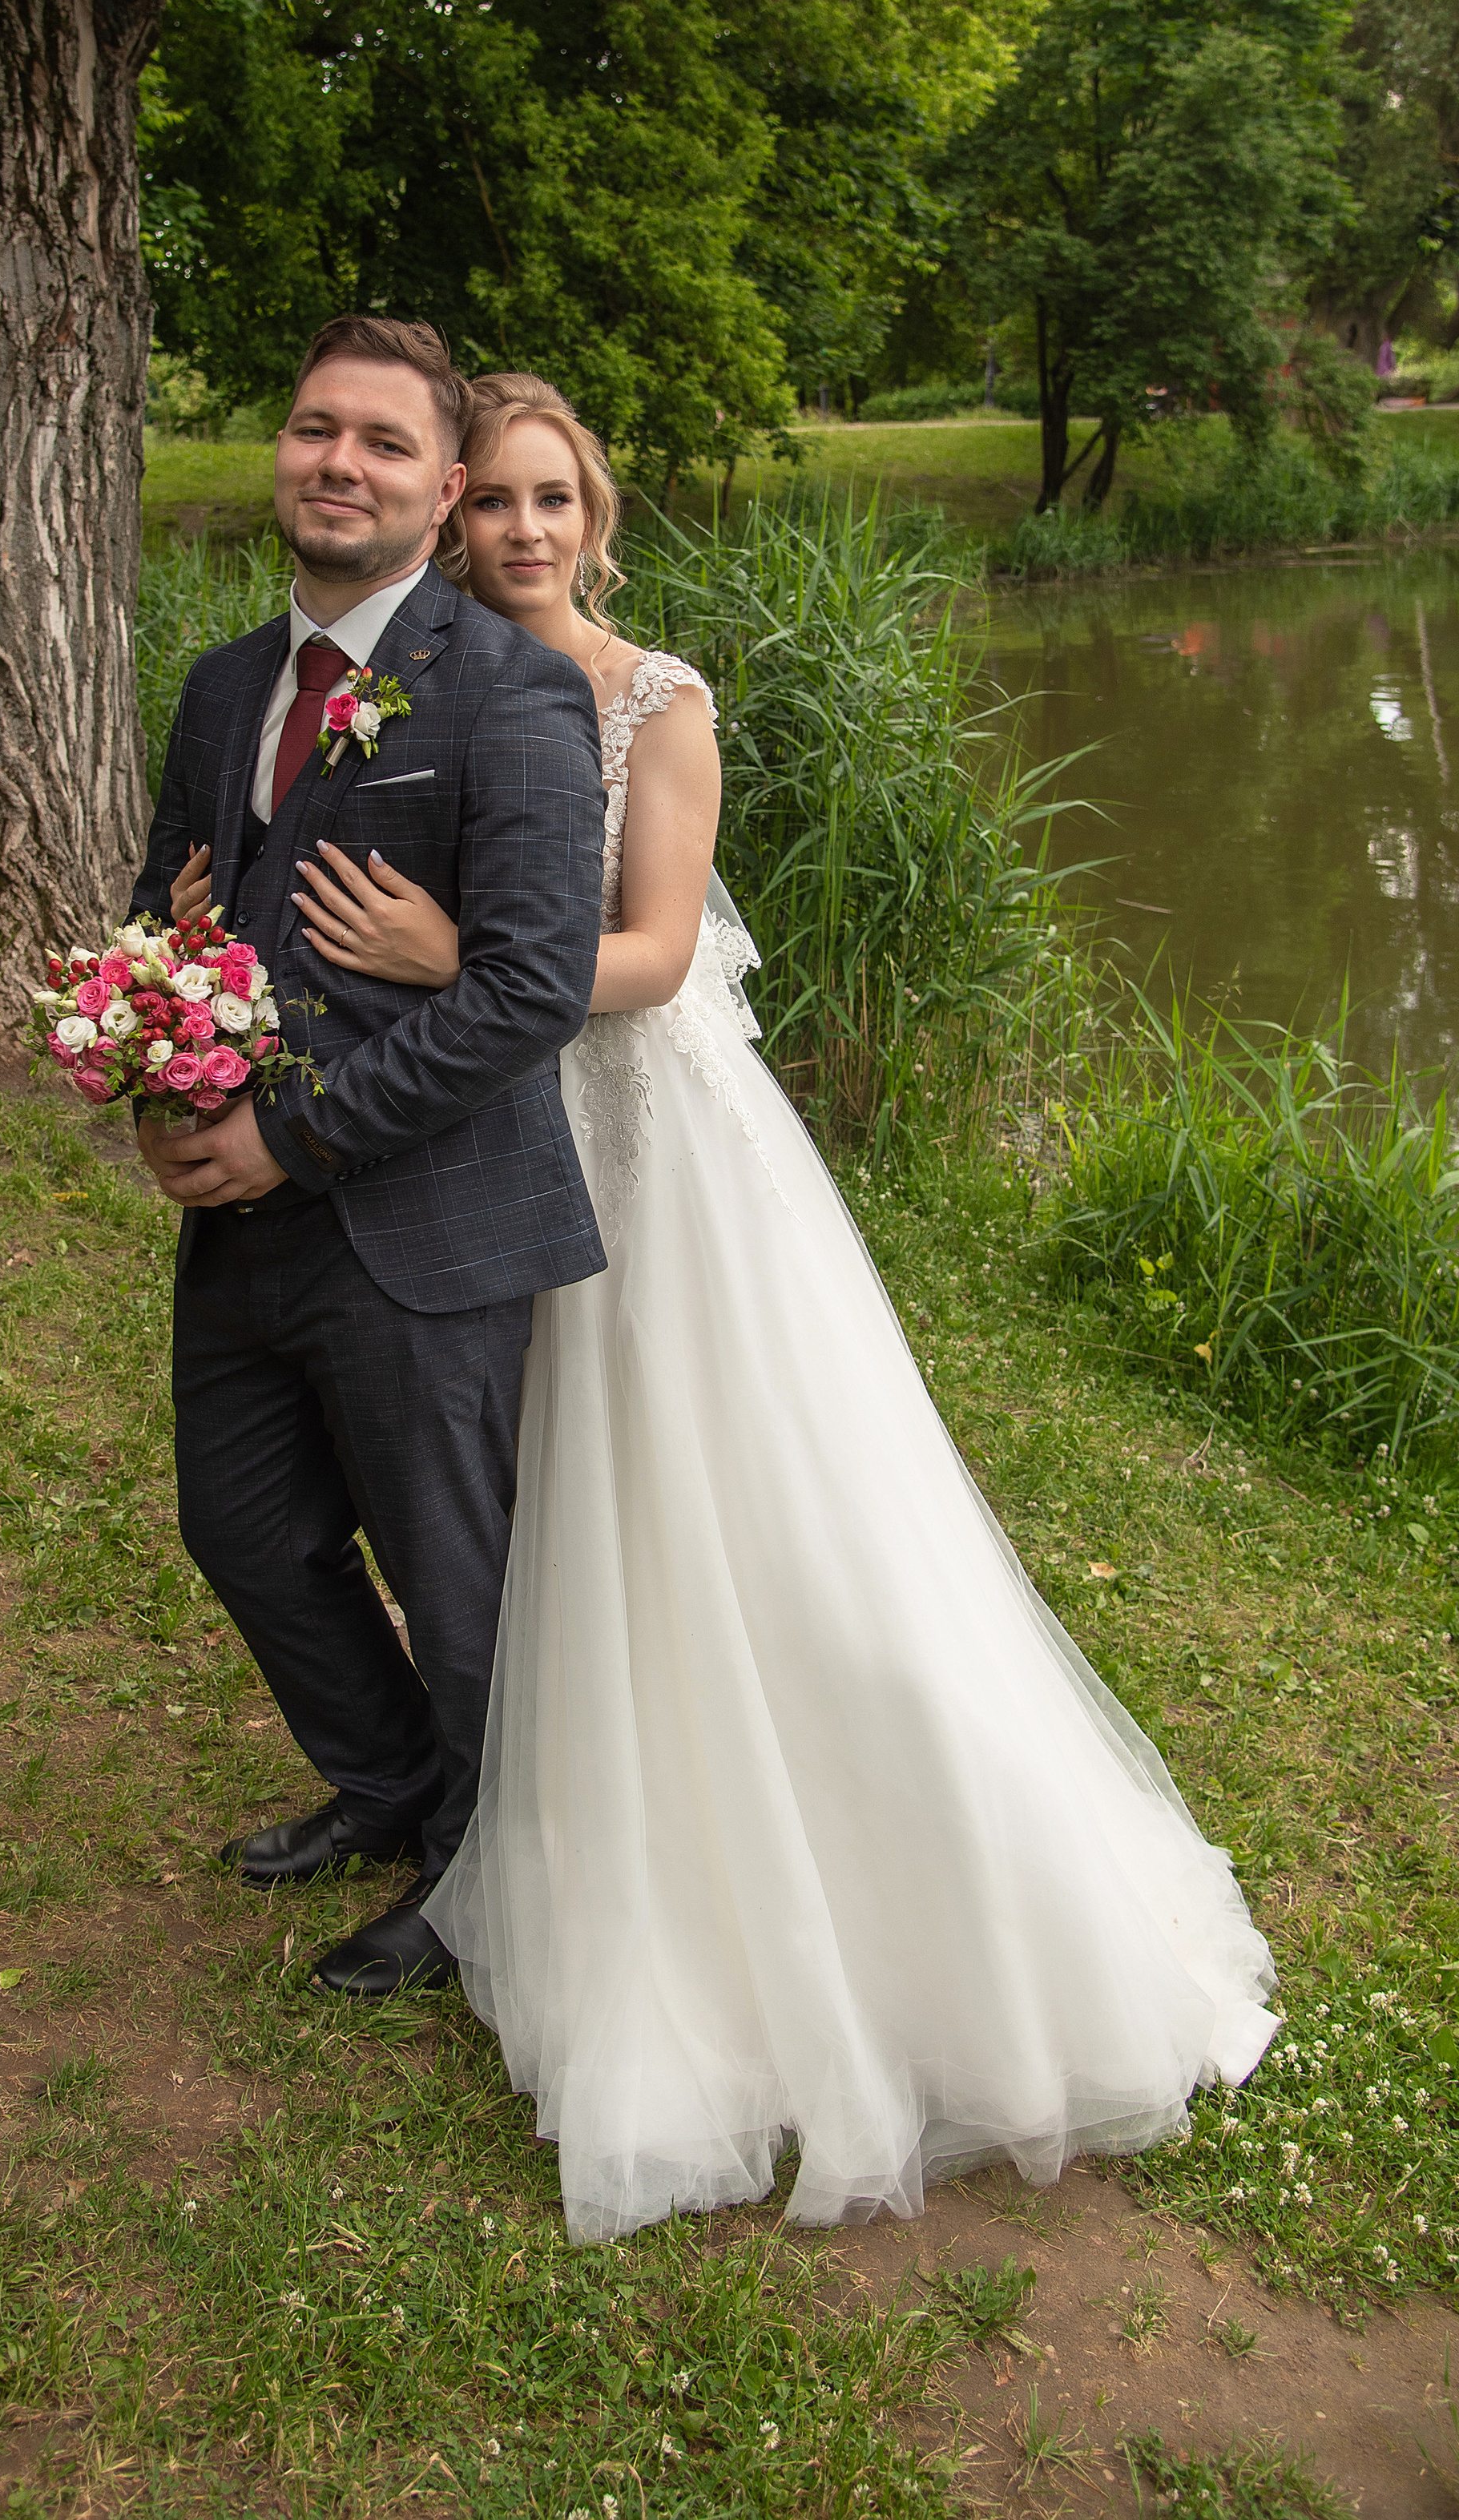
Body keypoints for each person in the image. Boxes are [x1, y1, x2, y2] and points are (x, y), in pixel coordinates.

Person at [284, 370, 1280, 2243]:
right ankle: (545, 1829)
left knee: (730, 1508)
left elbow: (656, 955)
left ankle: (872, 1874)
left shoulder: (655, 703)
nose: (516, 533)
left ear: (596, 515)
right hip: (483, 1144)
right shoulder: (419, 689)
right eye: (487, 500)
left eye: (547, 501)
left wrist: (453, 961)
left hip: (644, 1145)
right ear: (443, 518)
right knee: (532, 1516)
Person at [128, 318, 608, 1999]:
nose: (339, 462)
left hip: (427, 1222)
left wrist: (286, 1133)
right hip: (244, 1221)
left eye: (383, 444)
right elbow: (166, 911)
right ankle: (394, 1782)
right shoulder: (215, 688)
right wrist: (149, 1067)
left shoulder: (513, 692)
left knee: (454, 1579)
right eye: (313, 427)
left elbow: (537, 986)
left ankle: (486, 1872)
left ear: (444, 490)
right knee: (241, 1525)